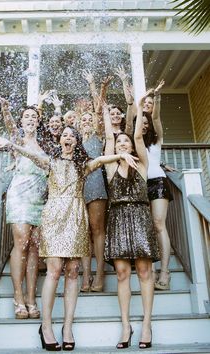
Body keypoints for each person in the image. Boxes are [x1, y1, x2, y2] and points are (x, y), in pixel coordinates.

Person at [0, 126, 138, 351]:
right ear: (60, 140)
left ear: (77, 142)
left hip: (76, 216)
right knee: (54, 270)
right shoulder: (49, 161)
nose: (68, 138)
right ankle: (46, 326)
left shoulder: (82, 166)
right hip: (54, 217)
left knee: (72, 271)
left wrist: (120, 155)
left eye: (72, 135)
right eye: (65, 135)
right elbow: (30, 154)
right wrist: (11, 144)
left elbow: (99, 160)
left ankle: (67, 327)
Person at [103, 93, 160, 349]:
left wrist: (138, 105)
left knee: (145, 271)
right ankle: (126, 325)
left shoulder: (142, 164)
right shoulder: (111, 166)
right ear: (115, 147)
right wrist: (104, 111)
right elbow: (107, 137)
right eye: (120, 142)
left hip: (140, 216)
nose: (124, 143)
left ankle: (147, 324)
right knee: (123, 273)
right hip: (117, 218)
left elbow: (138, 135)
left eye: (126, 141)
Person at [0, 95, 48, 320]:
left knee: (35, 246)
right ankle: (18, 297)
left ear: (38, 121)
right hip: (20, 196)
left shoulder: (45, 143)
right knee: (22, 241)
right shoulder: (17, 138)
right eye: (26, 116)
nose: (30, 119)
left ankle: (31, 298)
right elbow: (9, 124)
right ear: (21, 120)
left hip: (40, 199)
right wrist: (5, 108)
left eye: (34, 117)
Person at [142, 80, 173, 290]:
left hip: (159, 182)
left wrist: (157, 96)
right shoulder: (134, 139)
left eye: (150, 104)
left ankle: (164, 271)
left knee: (159, 224)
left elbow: (155, 117)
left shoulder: (157, 137)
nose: (146, 122)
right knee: (148, 227)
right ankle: (150, 270)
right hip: (142, 185)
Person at [79, 110, 108, 292]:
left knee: (97, 228)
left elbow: (99, 112)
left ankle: (99, 274)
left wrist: (96, 85)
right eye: (84, 119)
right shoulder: (74, 138)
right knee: (83, 231)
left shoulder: (98, 136)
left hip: (96, 180)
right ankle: (86, 274)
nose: (87, 121)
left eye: (90, 119)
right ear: (79, 122)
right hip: (77, 183)